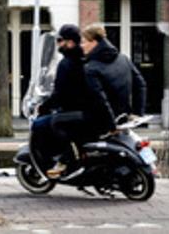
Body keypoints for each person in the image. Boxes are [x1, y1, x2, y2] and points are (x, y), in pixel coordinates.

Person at [34, 24, 113, 178]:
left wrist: (44, 107)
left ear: (69, 43)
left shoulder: (66, 63)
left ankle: (66, 160)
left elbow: (59, 93)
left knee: (42, 124)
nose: (58, 44)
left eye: (60, 40)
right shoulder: (87, 59)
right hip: (91, 109)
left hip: (76, 111)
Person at [81, 24, 147, 123]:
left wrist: (111, 125)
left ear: (94, 43)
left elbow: (100, 100)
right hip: (124, 119)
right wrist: (138, 113)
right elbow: (140, 85)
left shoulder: (90, 68)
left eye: (84, 42)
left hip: (101, 124)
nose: (82, 46)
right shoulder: (124, 58)